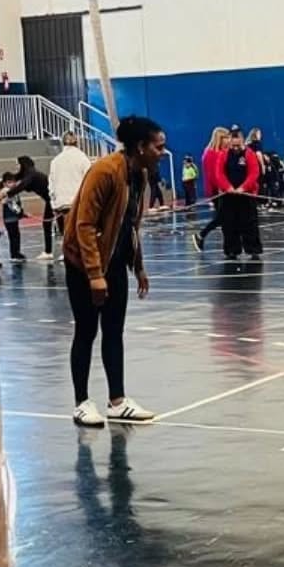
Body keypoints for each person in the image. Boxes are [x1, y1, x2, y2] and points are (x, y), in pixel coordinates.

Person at [61, 115, 161, 427]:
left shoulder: (140, 175)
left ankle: (117, 401)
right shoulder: (105, 171)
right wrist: (94, 275)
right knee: (86, 330)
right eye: (158, 147)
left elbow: (130, 224)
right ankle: (81, 403)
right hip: (83, 263)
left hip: (114, 262)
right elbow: (84, 225)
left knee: (114, 330)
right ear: (140, 146)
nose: (162, 152)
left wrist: (138, 266)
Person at [194, 128, 261, 259]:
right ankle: (232, 250)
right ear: (230, 142)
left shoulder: (249, 154)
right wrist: (228, 187)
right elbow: (219, 173)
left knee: (249, 224)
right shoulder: (223, 155)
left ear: (242, 141)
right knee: (229, 224)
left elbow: (254, 173)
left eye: (238, 145)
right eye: (233, 145)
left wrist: (243, 188)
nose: (235, 148)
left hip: (246, 195)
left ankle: (253, 249)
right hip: (228, 196)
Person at [2, 154, 56, 260]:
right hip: (49, 200)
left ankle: (49, 251)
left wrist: (7, 194)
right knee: (47, 224)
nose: (16, 166)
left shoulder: (31, 174)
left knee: (49, 224)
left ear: (23, 164)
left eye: (17, 164)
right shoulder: (26, 174)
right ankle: (48, 251)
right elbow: (12, 177)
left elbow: (22, 186)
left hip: (54, 199)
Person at [49, 132, 92, 230]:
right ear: (77, 142)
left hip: (61, 205)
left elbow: (51, 186)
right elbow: (90, 181)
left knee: (65, 236)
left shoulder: (55, 161)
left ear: (62, 143)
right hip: (78, 205)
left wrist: (54, 204)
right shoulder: (83, 159)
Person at [0, 170, 25, 261]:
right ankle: (14, 254)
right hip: (10, 218)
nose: (12, 184)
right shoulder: (7, 192)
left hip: (13, 218)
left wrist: (21, 213)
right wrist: (21, 212)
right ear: (4, 183)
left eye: (13, 182)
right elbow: (12, 204)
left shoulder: (13, 191)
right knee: (13, 236)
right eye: (9, 182)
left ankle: (16, 252)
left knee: (16, 235)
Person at [201, 127, 230, 200]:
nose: (229, 140)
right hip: (220, 190)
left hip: (221, 189)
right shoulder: (214, 154)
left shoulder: (209, 152)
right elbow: (214, 174)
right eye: (227, 137)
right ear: (220, 139)